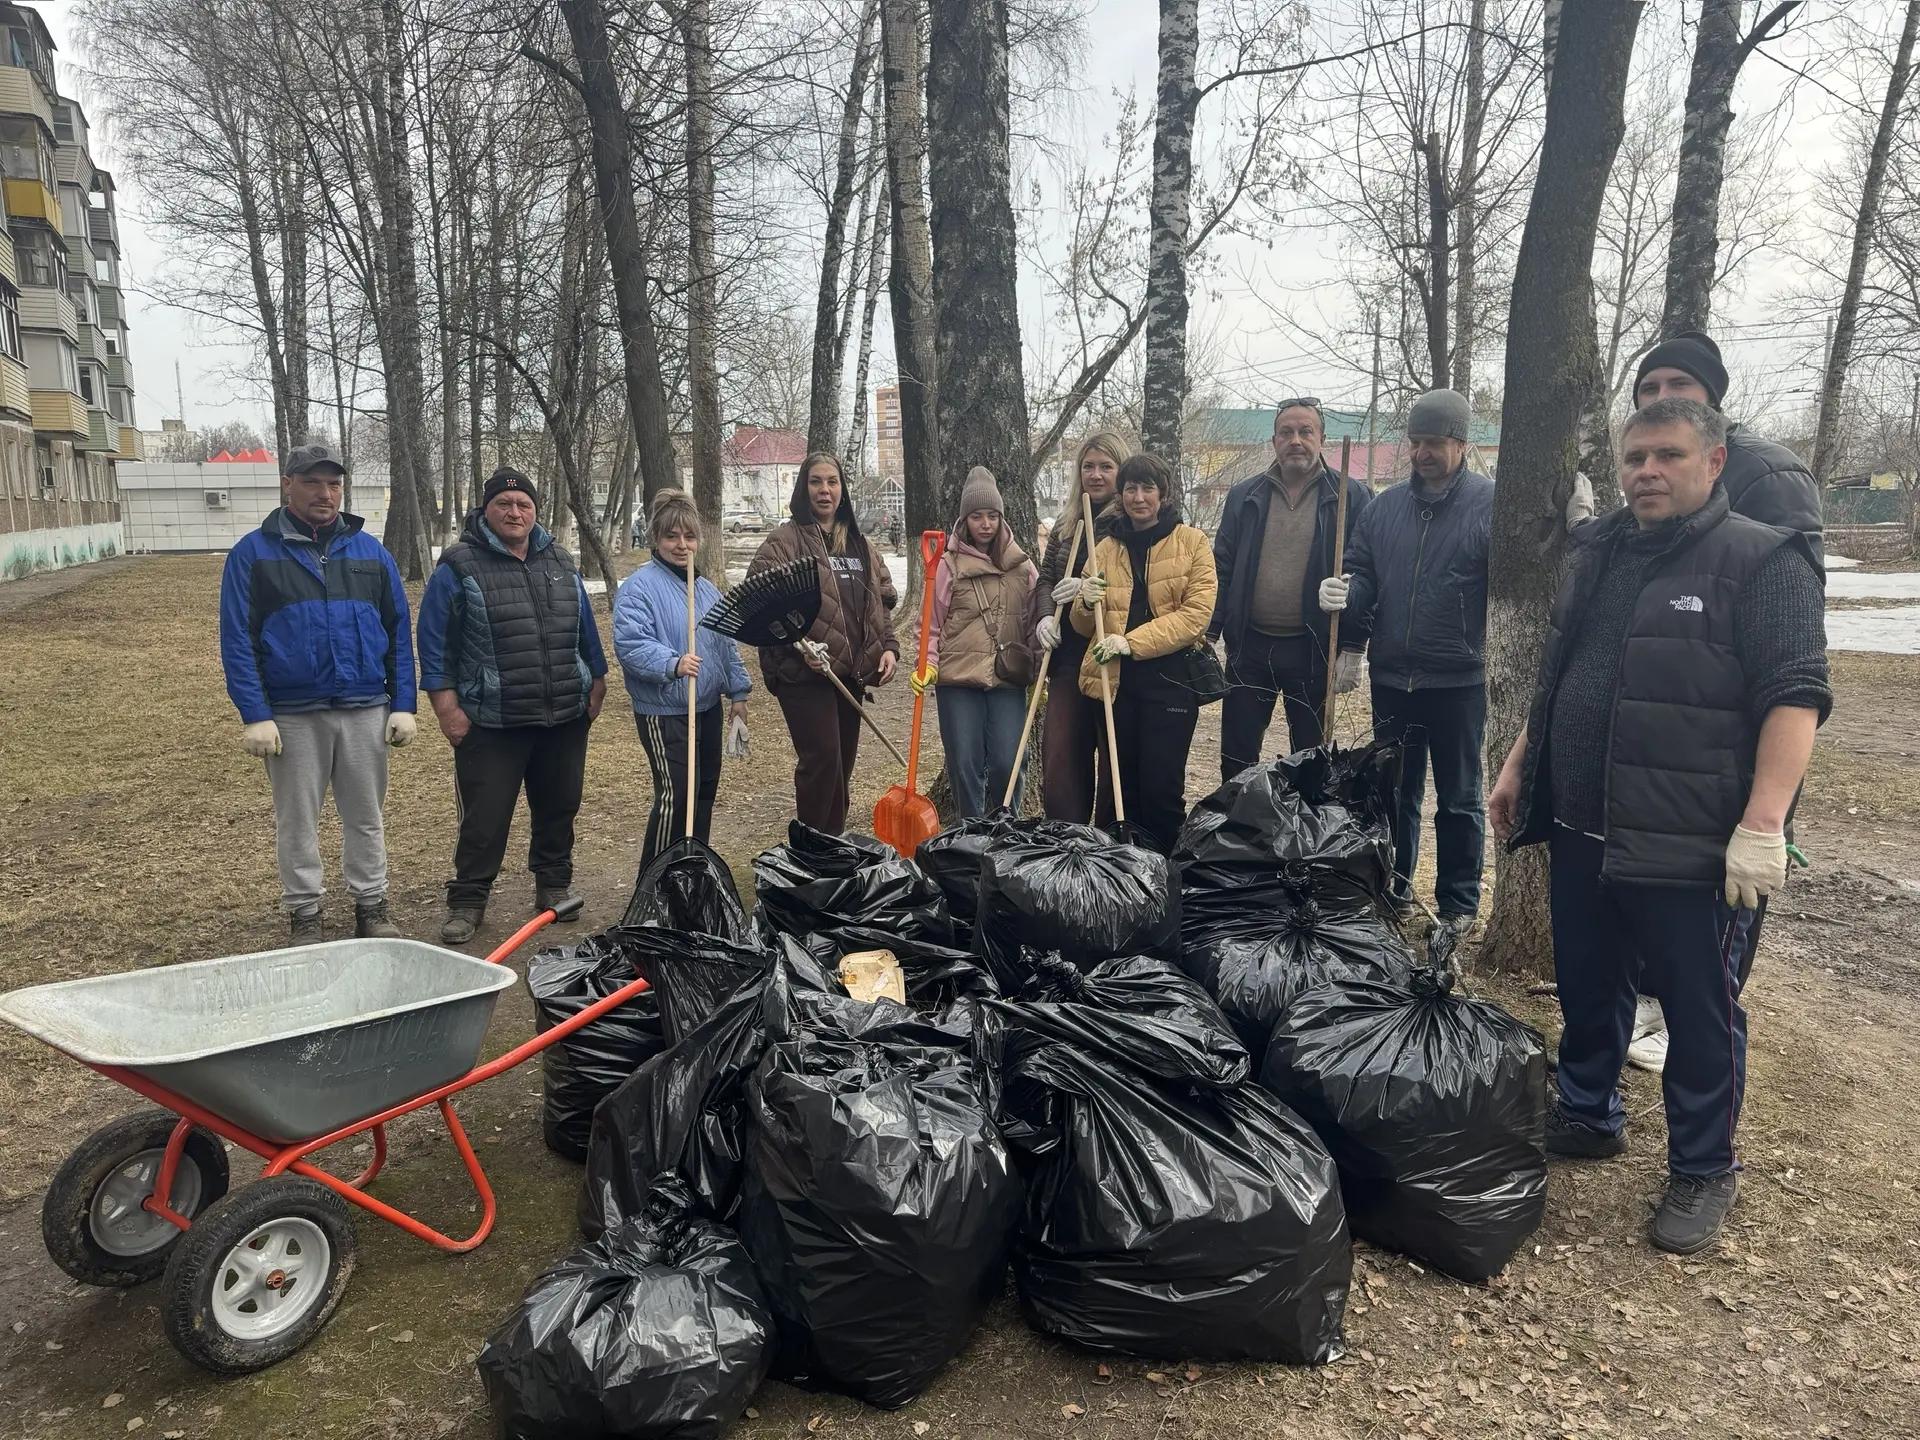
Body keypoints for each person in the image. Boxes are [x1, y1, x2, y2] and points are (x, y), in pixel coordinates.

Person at [1487, 398, 1828, 1256]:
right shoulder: (1599, 549)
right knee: (1587, 980)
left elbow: (1795, 694)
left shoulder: (1760, 560)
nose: (1647, 471)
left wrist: (1764, 821)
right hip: (1581, 823)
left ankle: (1704, 1165)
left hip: (1689, 837)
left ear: (1713, 463)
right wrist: (1523, 759)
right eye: (1636, 456)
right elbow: (1565, 673)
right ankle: (1590, 1110)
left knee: (1697, 1007)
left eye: (1668, 455)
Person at [1625, 329, 1827, 1073]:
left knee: (1724, 896)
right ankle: (1649, 1005)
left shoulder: (1768, 476)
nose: (1662, 399)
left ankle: (1701, 1023)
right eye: (1649, 389)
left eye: (1678, 384)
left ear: (1714, 399)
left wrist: (1768, 815)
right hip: (1663, 721)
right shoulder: (1649, 471)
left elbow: (1791, 637)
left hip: (1735, 726)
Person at [218, 442, 416, 942]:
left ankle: (371, 905)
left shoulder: (370, 552)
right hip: (292, 713)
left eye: (333, 484)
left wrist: (404, 704)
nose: (325, 494)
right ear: (288, 485)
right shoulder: (253, 554)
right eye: (312, 482)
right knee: (297, 820)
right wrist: (255, 713)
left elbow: (397, 631)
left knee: (366, 817)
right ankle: (304, 911)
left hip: (364, 706)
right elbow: (237, 637)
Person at [1319, 389, 1493, 939]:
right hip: (1394, 675)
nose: (1422, 453)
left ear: (1460, 444)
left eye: (1434, 443)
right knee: (1396, 791)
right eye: (1415, 442)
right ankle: (1395, 888)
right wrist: (1348, 596)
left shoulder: (1491, 504)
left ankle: (1458, 904)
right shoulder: (1384, 506)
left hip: (1460, 675)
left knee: (1460, 796)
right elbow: (1364, 571)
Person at [418, 468, 608, 944]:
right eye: (504, 503)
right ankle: (468, 900)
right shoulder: (459, 565)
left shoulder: (560, 561)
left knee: (560, 805)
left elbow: (585, 628)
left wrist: (596, 679)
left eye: (523, 504)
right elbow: (435, 642)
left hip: (562, 713)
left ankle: (553, 884)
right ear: (485, 510)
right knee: (485, 816)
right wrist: (446, 707)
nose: (514, 512)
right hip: (491, 719)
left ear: (536, 511)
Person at [1210, 397, 1372, 781]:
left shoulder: (1351, 496)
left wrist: (1353, 647)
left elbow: (1366, 573)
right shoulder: (1245, 496)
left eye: (1305, 431)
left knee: (1312, 761)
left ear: (1322, 439)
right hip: (1249, 649)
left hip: (1315, 647)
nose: (1295, 440)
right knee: (1237, 758)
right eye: (1286, 432)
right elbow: (1223, 568)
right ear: (1274, 441)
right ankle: (1237, 834)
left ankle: (1306, 836)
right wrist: (1209, 634)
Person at [1070, 453, 1218, 853]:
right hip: (1117, 683)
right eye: (1131, 488)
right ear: (1121, 495)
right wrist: (1084, 602)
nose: (1139, 497)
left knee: (1162, 789)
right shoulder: (1104, 548)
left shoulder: (1192, 543)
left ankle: (1165, 875)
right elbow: (1084, 626)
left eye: (1147, 488)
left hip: (1170, 684)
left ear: (1163, 493)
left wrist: (1131, 642)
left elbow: (1195, 616)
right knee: (1123, 789)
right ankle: (1125, 878)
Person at [749, 451, 899, 832]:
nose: (825, 490)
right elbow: (759, 607)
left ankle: (831, 846)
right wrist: (800, 650)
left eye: (832, 482)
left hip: (849, 675)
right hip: (803, 675)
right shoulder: (783, 543)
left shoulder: (860, 544)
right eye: (816, 482)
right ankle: (813, 851)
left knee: (842, 766)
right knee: (823, 760)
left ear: (842, 490)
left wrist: (889, 648)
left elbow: (881, 603)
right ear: (804, 488)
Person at [613, 489, 752, 871]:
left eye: (689, 537)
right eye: (672, 536)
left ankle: (691, 871)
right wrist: (672, 663)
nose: (681, 545)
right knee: (677, 795)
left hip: (706, 707)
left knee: (703, 793)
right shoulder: (638, 589)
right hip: (665, 712)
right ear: (656, 539)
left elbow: (725, 645)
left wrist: (738, 692)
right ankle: (655, 880)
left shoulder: (705, 589)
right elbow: (630, 643)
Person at [912, 466, 1038, 816]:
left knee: (1007, 763)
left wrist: (1042, 664)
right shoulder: (947, 567)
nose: (985, 524)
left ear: (1001, 518)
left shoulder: (1023, 568)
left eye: (992, 516)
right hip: (958, 680)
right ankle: (972, 832)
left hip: (1007, 678)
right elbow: (930, 625)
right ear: (965, 519)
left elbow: (1034, 622)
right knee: (964, 765)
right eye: (977, 516)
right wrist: (928, 665)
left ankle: (1006, 832)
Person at [1035, 432, 1129, 824]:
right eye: (1088, 466)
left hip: (1111, 657)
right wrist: (1044, 613)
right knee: (1060, 755)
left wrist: (1090, 588)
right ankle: (1064, 836)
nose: (1096, 474)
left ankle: (1106, 841)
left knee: (1113, 757)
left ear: (1120, 471)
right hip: (1068, 657)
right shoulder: (1066, 524)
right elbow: (1044, 579)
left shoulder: (1129, 523)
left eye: (1106, 466)